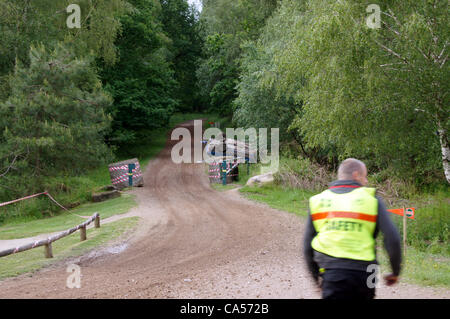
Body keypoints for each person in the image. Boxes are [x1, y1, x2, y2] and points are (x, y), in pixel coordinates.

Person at [303, 158, 402, 299]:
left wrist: (316, 278)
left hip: (332, 272)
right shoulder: (373, 200)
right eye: (365, 176)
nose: (366, 181)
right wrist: (395, 271)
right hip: (368, 272)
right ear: (356, 175)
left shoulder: (317, 201)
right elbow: (393, 239)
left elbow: (307, 246)